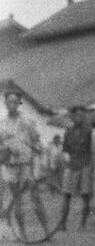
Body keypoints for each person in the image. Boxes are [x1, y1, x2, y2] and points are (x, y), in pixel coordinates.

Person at [0, 88, 49, 237]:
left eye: (15, 102)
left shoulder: (27, 122)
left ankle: (46, 231)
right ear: (6, 103)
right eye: (9, 102)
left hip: (26, 164)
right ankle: (22, 234)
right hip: (10, 166)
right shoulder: (2, 125)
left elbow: (37, 142)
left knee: (35, 196)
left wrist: (39, 157)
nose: (12, 105)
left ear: (19, 103)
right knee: (17, 199)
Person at [57, 105, 93, 231]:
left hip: (85, 164)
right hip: (71, 165)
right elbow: (65, 149)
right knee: (66, 194)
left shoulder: (89, 131)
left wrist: (90, 166)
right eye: (77, 115)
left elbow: (92, 149)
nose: (79, 118)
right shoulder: (68, 131)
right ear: (72, 117)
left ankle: (82, 223)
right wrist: (66, 157)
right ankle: (63, 223)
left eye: (81, 115)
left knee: (85, 195)